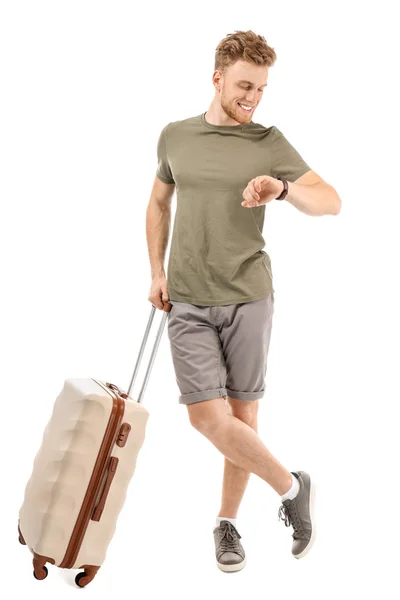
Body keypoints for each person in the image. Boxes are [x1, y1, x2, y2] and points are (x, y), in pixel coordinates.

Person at [146, 29, 341, 572]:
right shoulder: (175, 136)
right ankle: (291, 486)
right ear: (218, 78)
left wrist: (282, 189)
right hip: (185, 298)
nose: (252, 97)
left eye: (261, 88)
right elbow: (158, 204)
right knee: (207, 418)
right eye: (244, 85)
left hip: (249, 296)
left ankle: (225, 524)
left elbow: (330, 201)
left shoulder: (268, 142)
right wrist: (156, 271)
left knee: (242, 418)